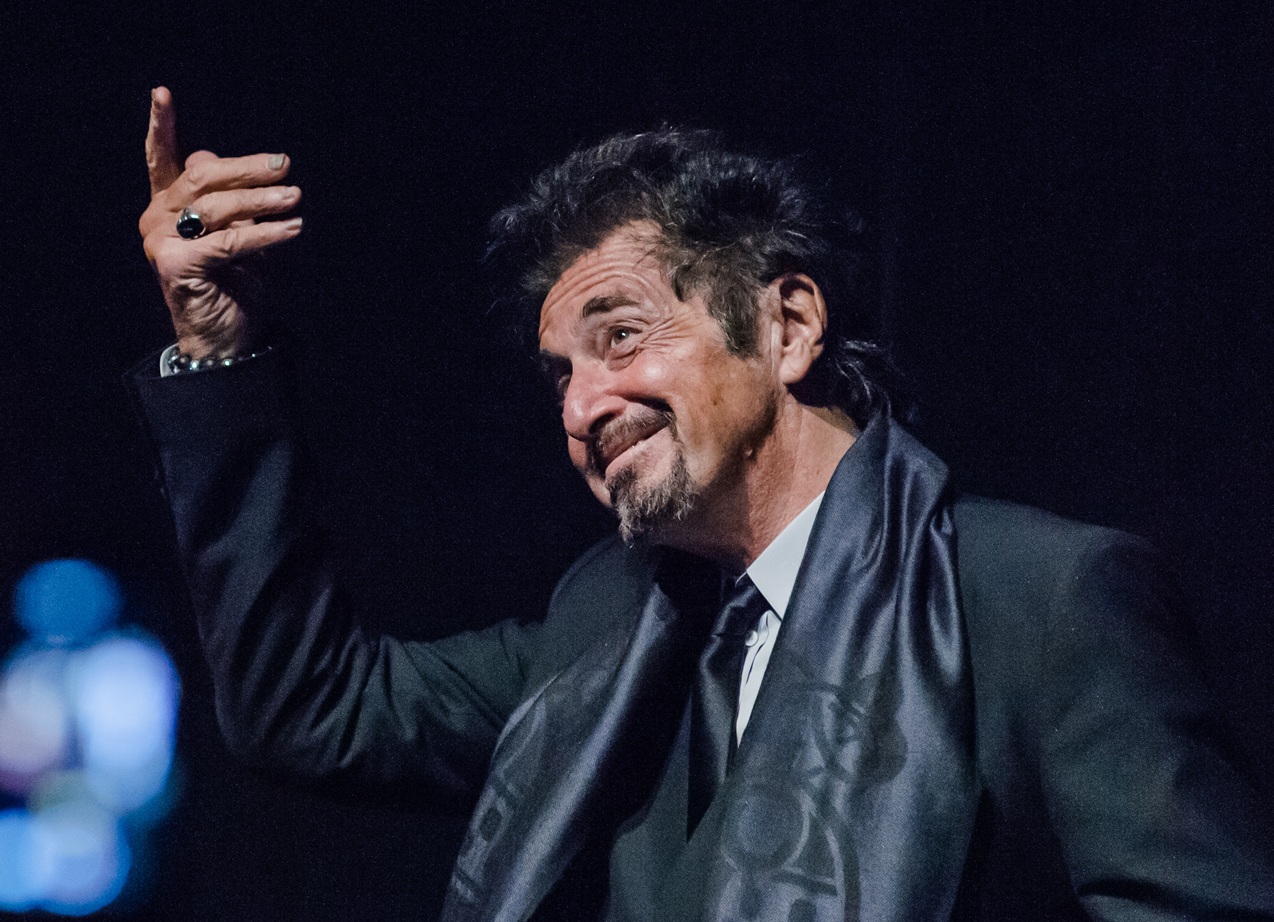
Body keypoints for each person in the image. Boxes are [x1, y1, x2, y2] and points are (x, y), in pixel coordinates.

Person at [132, 87, 1274, 922]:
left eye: (619, 335)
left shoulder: (1039, 602)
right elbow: (309, 708)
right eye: (560, 374)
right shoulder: (605, 633)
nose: (582, 403)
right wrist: (218, 359)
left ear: (785, 327)